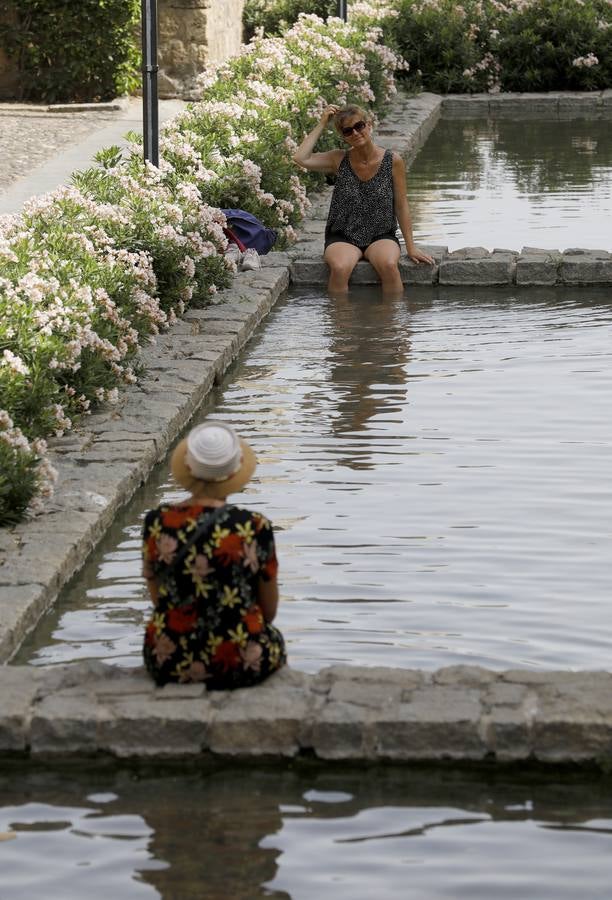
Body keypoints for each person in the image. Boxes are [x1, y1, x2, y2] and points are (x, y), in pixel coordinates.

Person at [141, 420, 286, 688]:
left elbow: (158, 597)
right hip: (242, 659)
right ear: (235, 472)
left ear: (187, 467)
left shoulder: (157, 522)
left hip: (169, 657)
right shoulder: (254, 526)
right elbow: (269, 611)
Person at [293, 103, 434, 296]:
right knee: (340, 268)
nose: (356, 133)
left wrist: (411, 247)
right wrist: (322, 124)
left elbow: (401, 205)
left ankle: (390, 324)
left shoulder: (393, 161)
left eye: (359, 126)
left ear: (368, 125)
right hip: (343, 236)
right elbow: (301, 158)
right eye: (348, 131)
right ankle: (341, 324)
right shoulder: (338, 159)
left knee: (389, 265)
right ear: (343, 136)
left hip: (381, 234)